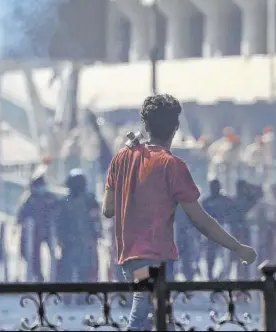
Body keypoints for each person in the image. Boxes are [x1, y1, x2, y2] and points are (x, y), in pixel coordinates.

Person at [102, 94, 257, 331]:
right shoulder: (172, 165)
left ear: (145, 125)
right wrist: (237, 247)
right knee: (142, 312)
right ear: (175, 127)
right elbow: (201, 221)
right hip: (154, 258)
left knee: (160, 316)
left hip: (129, 257)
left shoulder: (121, 157)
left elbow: (108, 209)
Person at [55, 169, 101, 285]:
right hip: (74, 241)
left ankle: (80, 294)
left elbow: (95, 220)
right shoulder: (66, 201)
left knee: (82, 269)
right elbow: (60, 222)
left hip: (81, 241)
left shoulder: (88, 200)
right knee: (71, 269)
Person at [16, 176, 57, 282]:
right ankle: (37, 276)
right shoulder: (29, 200)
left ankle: (56, 277)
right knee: (33, 256)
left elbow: (58, 212)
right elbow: (21, 216)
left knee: (55, 254)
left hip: (49, 230)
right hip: (34, 233)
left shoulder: (51, 198)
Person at [201, 179, 235, 280]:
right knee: (210, 255)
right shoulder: (206, 201)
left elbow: (232, 215)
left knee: (226, 256)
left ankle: (224, 276)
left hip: (224, 229)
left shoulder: (227, 201)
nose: (214, 189)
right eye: (212, 187)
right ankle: (210, 276)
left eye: (216, 186)